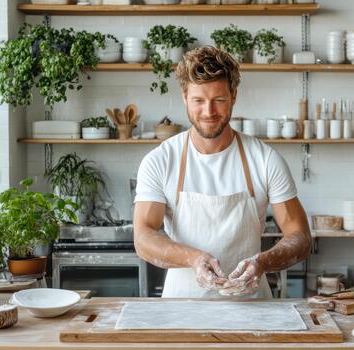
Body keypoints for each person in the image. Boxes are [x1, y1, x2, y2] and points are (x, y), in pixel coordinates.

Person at [133, 46, 311, 298]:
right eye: (198, 101)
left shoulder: (264, 159)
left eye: (219, 100)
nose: (209, 112)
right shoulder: (161, 160)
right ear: (184, 96)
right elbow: (143, 237)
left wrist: (262, 263)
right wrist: (194, 259)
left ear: (234, 96)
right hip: (182, 308)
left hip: (251, 307)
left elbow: (300, 237)